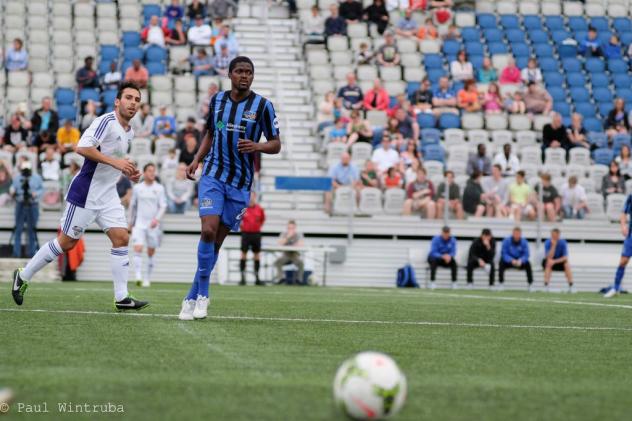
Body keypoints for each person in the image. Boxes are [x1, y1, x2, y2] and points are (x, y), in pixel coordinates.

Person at [10, 82, 150, 311]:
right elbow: (82, 148)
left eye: (137, 99)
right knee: (66, 242)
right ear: (117, 101)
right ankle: (23, 276)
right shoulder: (106, 121)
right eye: (128, 98)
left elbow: (113, 157)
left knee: (121, 238)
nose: (133, 103)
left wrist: (128, 171)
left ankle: (122, 297)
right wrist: (117, 162)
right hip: (86, 192)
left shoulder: (130, 131)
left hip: (108, 195)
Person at [178, 56, 281, 320]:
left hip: (240, 183)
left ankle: (191, 297)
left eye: (248, 72)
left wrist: (257, 146)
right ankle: (203, 295)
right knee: (208, 230)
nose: (244, 76)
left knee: (217, 243)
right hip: (213, 174)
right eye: (239, 71)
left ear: (253, 76)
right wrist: (197, 160)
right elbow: (210, 133)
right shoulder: (218, 101)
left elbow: (276, 144)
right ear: (230, 74)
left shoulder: (263, 106)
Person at [129, 163, 167, 288]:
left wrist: (157, 219)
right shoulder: (137, 188)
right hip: (139, 224)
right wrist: (130, 223)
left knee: (151, 252)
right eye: (149, 171)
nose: (152, 173)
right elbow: (132, 206)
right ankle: (138, 276)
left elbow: (163, 205)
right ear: (144, 173)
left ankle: (147, 278)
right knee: (138, 249)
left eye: (153, 170)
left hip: (153, 225)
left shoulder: (159, 188)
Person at [10, 161, 43, 258]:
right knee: (18, 228)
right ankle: (16, 253)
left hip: (33, 204)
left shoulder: (36, 177)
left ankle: (32, 253)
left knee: (31, 230)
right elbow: (13, 187)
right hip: (20, 203)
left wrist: (35, 193)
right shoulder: (17, 177)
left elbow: (41, 189)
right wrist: (12, 190)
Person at [604, 193, 632, 297]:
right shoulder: (631, 196)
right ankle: (615, 288)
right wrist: (623, 226)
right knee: (623, 261)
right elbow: (624, 213)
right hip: (631, 235)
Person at [240, 192, 266, 285]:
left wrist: (257, 227)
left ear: (255, 197)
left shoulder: (260, 209)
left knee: (257, 255)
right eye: (250, 197)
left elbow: (262, 219)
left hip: (256, 234)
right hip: (246, 234)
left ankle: (257, 277)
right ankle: (242, 278)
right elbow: (239, 219)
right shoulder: (244, 208)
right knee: (243, 254)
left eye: (253, 197)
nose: (251, 198)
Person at [273, 220, 305, 285]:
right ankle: (281, 278)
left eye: (292, 228)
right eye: (289, 228)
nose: (290, 230)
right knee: (277, 262)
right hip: (286, 254)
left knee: (301, 263)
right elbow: (280, 243)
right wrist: (288, 237)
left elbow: (301, 244)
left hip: (295, 254)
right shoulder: (284, 234)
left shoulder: (298, 234)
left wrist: (295, 244)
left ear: (295, 228)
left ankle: (299, 280)